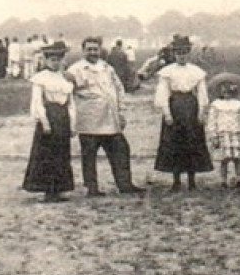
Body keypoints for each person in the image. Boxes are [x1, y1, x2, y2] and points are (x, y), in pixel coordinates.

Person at [64, 36, 142, 195]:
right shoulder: (75, 70)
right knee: (89, 155)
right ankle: (92, 188)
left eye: (95, 49)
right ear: (83, 50)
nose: (93, 52)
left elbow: (119, 89)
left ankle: (124, 184)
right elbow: (66, 93)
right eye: (89, 49)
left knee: (121, 150)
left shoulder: (107, 68)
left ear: (100, 50)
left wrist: (121, 112)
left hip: (110, 119)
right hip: (89, 120)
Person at [153, 36, 213, 190]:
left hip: (191, 107)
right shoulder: (167, 72)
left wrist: (201, 112)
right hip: (175, 106)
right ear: (174, 54)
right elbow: (163, 93)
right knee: (175, 143)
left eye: (184, 52)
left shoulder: (196, 71)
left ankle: (192, 180)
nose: (181, 56)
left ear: (189, 53)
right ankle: (176, 180)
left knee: (192, 142)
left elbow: (202, 93)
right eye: (178, 53)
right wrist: (167, 113)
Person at [22, 41, 75, 203]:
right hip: (49, 116)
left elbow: (70, 103)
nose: (55, 62)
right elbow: (37, 102)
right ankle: (47, 189)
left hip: (62, 116)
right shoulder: (40, 79)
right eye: (52, 59)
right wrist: (44, 122)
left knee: (62, 153)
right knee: (47, 154)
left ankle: (59, 188)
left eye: (58, 59)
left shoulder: (65, 78)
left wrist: (72, 124)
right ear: (45, 61)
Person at [205, 73, 240, 188]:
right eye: (224, 91)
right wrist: (213, 135)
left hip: (236, 133)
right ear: (220, 92)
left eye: (229, 91)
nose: (227, 94)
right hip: (222, 133)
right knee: (224, 159)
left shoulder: (239, 105)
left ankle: (239, 179)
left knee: (237, 158)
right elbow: (212, 121)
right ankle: (223, 180)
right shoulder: (216, 105)